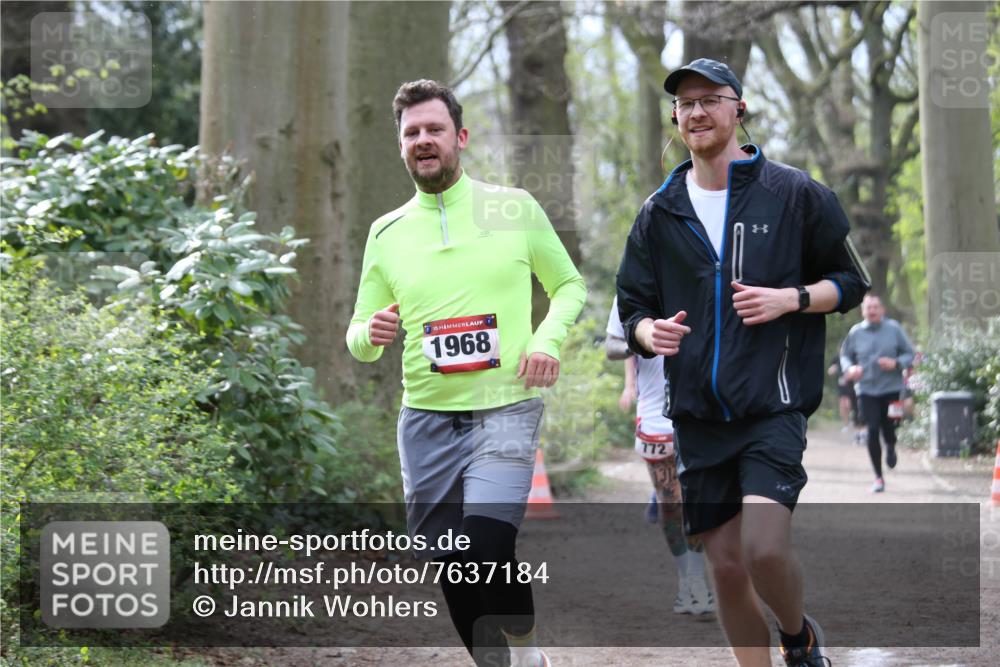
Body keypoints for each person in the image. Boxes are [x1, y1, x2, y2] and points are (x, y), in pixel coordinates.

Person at [616, 58, 870, 667]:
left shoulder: (795, 194)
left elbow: (851, 283)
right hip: (697, 416)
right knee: (727, 568)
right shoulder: (659, 211)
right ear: (675, 119)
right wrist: (651, 332)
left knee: (763, 549)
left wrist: (792, 299)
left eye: (711, 99)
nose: (697, 112)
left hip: (771, 406)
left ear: (739, 108)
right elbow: (632, 310)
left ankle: (797, 637)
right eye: (686, 103)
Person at [346, 79, 586, 667]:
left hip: (505, 408)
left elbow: (569, 286)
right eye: (412, 133)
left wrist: (546, 341)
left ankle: (527, 652)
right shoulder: (386, 232)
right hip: (426, 420)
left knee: (486, 545)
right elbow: (357, 337)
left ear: (461, 137)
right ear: (400, 146)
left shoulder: (513, 208)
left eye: (435, 129)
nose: (423, 140)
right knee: (453, 564)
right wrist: (371, 333)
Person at [605, 296, 715, 618]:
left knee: (700, 499)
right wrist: (644, 339)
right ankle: (690, 579)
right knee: (671, 502)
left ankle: (702, 575)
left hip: (707, 406)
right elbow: (612, 345)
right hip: (656, 409)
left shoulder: (710, 274)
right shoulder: (633, 286)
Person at [840, 295, 914, 493]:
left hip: (892, 389)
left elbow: (910, 353)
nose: (872, 310)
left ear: (882, 310)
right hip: (866, 389)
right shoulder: (856, 332)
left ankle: (890, 446)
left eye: (875, 307)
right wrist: (850, 368)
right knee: (872, 430)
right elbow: (845, 356)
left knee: (890, 428)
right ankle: (878, 477)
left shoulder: (894, 329)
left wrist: (896, 363)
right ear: (863, 311)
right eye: (868, 307)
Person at [826, 359, 864, 444]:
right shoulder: (837, 359)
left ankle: (855, 422)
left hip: (852, 385)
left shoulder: (852, 356)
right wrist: (834, 369)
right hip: (842, 386)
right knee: (843, 404)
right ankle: (847, 424)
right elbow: (830, 371)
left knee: (851, 404)